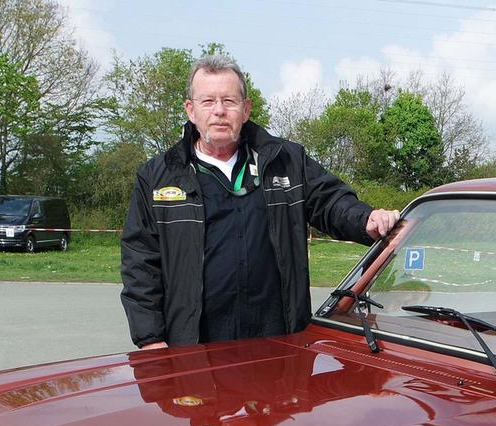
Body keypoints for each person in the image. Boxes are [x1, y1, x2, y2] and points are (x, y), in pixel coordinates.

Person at [120, 54, 399, 349]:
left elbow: (331, 201)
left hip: (280, 345)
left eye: (229, 101)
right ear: (190, 110)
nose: (219, 111)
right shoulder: (157, 176)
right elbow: (140, 264)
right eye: (207, 101)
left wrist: (365, 219)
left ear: (245, 109)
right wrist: (151, 340)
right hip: (195, 349)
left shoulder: (286, 161)